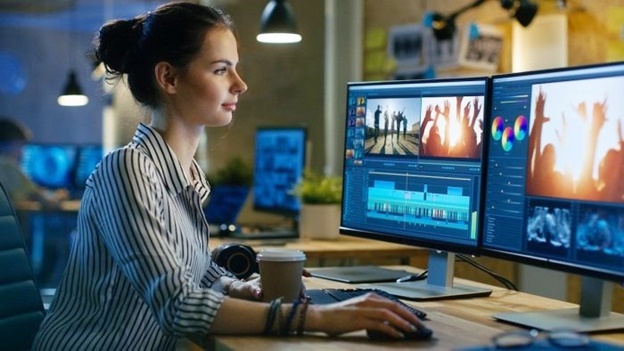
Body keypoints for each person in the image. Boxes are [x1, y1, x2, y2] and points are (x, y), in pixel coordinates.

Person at [32, 3, 425, 350]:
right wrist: (326, 319)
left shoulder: (186, 175)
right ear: (168, 78)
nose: (240, 84)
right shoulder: (128, 168)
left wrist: (245, 288)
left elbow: (198, 273)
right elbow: (178, 305)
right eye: (222, 70)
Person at [0, 118, 68, 207]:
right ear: (9, 144)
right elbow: (47, 202)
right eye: (20, 145)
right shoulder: (8, 166)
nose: (22, 152)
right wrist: (60, 196)